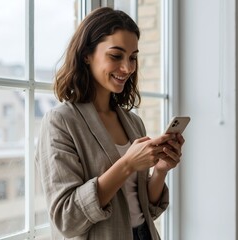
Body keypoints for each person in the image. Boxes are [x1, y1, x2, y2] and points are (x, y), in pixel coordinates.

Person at [35, 7, 185, 240]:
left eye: (133, 57)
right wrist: (127, 164)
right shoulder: (61, 122)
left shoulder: (133, 122)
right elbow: (67, 218)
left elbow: (143, 208)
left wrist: (160, 171)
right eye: (116, 56)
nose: (127, 68)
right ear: (86, 54)